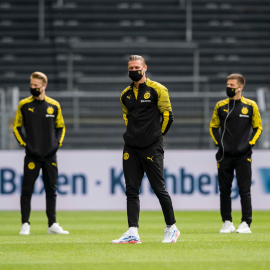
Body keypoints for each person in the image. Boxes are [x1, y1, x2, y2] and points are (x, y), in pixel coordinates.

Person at [112, 55, 180, 244]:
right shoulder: (124, 95)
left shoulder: (158, 89)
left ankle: (171, 228)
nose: (133, 70)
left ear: (145, 68)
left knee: (159, 188)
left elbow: (168, 117)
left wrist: (157, 138)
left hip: (152, 146)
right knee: (131, 190)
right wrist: (134, 136)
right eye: (130, 67)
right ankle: (133, 232)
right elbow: (127, 119)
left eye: (136, 67)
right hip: (131, 148)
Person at [13, 71, 69, 235]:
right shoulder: (24, 104)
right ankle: (25, 224)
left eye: (36, 86)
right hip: (32, 155)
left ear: (44, 86)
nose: (33, 88)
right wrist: (26, 145)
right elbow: (16, 127)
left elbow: (61, 127)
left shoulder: (54, 105)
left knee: (51, 189)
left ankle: (52, 224)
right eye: (31, 85)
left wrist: (56, 145)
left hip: (50, 155)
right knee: (27, 189)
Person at [209, 74, 262, 234]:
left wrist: (248, 144)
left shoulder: (251, 105)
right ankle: (227, 222)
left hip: (243, 155)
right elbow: (213, 127)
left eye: (232, 85)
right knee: (224, 190)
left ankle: (246, 223)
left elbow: (258, 128)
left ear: (240, 87)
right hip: (224, 155)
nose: (229, 87)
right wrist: (220, 144)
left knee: (244, 190)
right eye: (227, 84)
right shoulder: (220, 106)